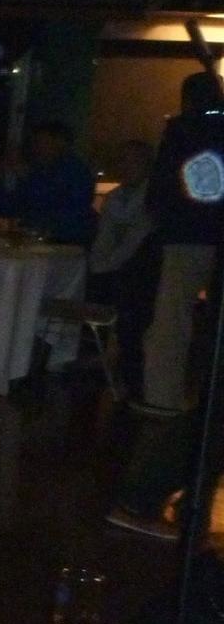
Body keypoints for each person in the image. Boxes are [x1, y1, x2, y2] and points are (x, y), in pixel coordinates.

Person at [140, 72, 224, 414]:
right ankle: (212, 401)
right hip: (215, 232)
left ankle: (163, 396)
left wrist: (160, 216)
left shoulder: (182, 131)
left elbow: (163, 183)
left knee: (173, 318)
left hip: (185, 233)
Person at [86, 139, 159, 399]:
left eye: (132, 161)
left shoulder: (153, 198)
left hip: (141, 269)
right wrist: (99, 264)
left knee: (132, 306)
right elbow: (105, 237)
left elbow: (135, 241)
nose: (125, 167)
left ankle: (131, 377)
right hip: (116, 267)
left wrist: (106, 265)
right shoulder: (114, 197)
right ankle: (105, 354)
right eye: (122, 161)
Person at [0, 121, 97, 246]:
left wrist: (25, 175)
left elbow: (59, 205)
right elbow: (8, 209)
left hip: (69, 241)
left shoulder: (75, 170)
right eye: (34, 142)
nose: (35, 147)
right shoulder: (36, 170)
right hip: (36, 239)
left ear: (59, 142)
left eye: (40, 141)